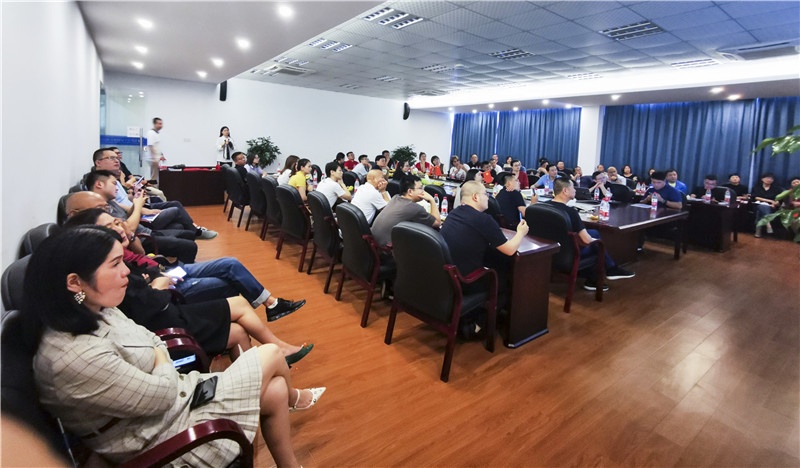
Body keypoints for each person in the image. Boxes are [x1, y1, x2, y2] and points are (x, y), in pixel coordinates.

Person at [27, 227, 325, 467]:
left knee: (274, 390)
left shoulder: (99, 308)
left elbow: (151, 339)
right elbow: (161, 393)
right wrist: (160, 360)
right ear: (74, 282)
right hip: (161, 435)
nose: (126, 272)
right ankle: (294, 396)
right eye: (115, 264)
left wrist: (158, 358)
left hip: (174, 401)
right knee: (270, 353)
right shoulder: (73, 356)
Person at [440, 180, 530, 315]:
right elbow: (510, 250)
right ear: (475, 197)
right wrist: (521, 233)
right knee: (508, 276)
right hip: (467, 281)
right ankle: (485, 319)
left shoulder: (454, 212)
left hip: (449, 277)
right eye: (485, 194)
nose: (488, 198)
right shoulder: (483, 219)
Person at [546, 177, 635, 290]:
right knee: (596, 246)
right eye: (573, 188)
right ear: (565, 191)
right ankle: (608, 271)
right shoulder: (571, 212)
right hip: (566, 255)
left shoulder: (544, 206)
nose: (575, 190)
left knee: (594, 232)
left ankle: (597, 276)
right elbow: (587, 240)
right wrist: (600, 242)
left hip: (549, 251)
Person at [64, 191, 199, 264]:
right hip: (145, 237)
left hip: (139, 240)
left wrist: (130, 234)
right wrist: (138, 207)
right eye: (100, 208)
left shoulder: (110, 205)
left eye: (106, 208)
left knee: (183, 230)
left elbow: (139, 254)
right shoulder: (93, 242)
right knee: (176, 213)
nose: (106, 212)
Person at [371, 174, 441, 247]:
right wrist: (432, 200)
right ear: (410, 191)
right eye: (420, 188)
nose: (423, 191)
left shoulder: (395, 198)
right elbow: (437, 222)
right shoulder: (415, 208)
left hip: (374, 244)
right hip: (387, 249)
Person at [751, 172, 783, 237]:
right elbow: (756, 197)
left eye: (771, 179)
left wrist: (775, 203)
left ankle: (758, 231)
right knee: (762, 207)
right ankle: (768, 223)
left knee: (760, 211)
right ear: (762, 179)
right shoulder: (757, 187)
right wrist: (770, 201)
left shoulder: (777, 189)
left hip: (771, 207)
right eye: (767, 178)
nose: (769, 180)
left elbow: (779, 199)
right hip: (757, 205)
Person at [146, 117, 165, 182]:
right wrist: (154, 158)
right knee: (154, 176)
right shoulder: (151, 133)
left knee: (156, 175)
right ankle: (153, 187)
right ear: (155, 124)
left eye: (161, 124)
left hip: (156, 158)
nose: (161, 125)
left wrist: (161, 155)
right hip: (153, 158)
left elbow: (157, 146)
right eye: (159, 124)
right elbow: (151, 146)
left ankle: (154, 186)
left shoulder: (156, 133)